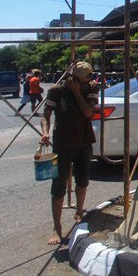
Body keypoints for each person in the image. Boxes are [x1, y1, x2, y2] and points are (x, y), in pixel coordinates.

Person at [39, 62, 99, 245]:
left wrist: (75, 92)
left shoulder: (91, 87)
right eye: (82, 81)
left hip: (84, 141)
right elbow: (46, 115)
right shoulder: (56, 91)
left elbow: (88, 112)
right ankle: (56, 228)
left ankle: (79, 212)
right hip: (63, 142)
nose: (85, 83)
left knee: (83, 180)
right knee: (58, 185)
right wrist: (45, 132)